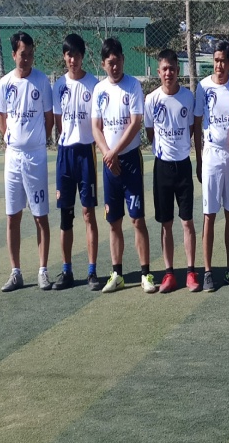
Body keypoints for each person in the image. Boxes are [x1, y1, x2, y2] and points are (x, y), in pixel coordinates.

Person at [92, 38, 156, 294]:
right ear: (103, 64)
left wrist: (114, 153)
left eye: (117, 61)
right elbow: (96, 127)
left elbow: (135, 123)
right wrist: (107, 154)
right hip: (110, 163)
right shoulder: (99, 90)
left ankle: (145, 273)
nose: (114, 66)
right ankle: (117, 273)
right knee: (113, 221)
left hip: (128, 161)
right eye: (110, 63)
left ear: (122, 60)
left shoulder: (133, 86)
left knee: (137, 219)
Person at [0, 32, 54, 292]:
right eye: (23, 54)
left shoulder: (42, 81)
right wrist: (12, 140)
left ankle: (42, 270)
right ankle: (16, 271)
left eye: (30, 54)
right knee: (13, 216)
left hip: (35, 156)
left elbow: (49, 119)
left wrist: (38, 142)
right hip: (13, 157)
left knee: (40, 216)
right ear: (14, 55)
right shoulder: (5, 83)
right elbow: (2, 117)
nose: (27, 59)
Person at [145, 49, 198, 293]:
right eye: (164, 69)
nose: (169, 73)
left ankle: (190, 272)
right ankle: (169, 274)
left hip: (183, 166)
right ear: (159, 72)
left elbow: (190, 130)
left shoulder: (188, 97)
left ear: (179, 71)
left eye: (172, 69)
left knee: (187, 221)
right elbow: (150, 133)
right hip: (162, 167)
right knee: (165, 223)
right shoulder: (152, 100)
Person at [51, 33, 101, 291]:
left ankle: (92, 271)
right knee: (65, 215)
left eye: (77, 55)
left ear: (82, 56)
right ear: (64, 57)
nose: (73, 59)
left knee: (88, 212)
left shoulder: (93, 84)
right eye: (69, 55)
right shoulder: (58, 85)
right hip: (65, 154)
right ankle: (67, 270)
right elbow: (59, 123)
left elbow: (96, 124)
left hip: (86, 154)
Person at [194, 40, 229, 292]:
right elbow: (197, 122)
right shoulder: (203, 87)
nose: (219, 65)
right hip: (211, 155)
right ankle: (208, 271)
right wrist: (199, 158)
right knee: (209, 215)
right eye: (216, 61)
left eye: (223, 61)